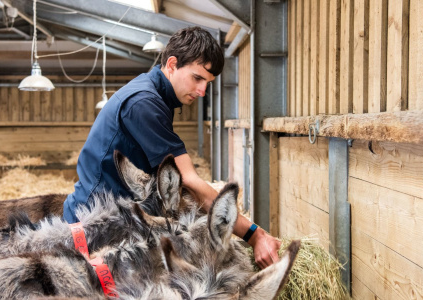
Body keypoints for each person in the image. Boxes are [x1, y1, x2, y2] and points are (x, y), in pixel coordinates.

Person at [63, 26, 281, 269]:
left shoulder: (156, 94)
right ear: (172, 64)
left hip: (117, 215)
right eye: (197, 78)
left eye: (207, 83)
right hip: (95, 226)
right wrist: (254, 235)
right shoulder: (145, 103)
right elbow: (188, 180)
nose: (202, 91)